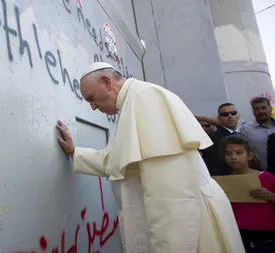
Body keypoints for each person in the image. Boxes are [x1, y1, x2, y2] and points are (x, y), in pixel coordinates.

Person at [56, 62, 244, 253]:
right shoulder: (133, 102)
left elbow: (171, 200)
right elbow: (114, 160)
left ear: (107, 83)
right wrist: (75, 152)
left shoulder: (146, 100)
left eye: (92, 98)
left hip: (187, 229)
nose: (93, 107)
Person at [220, 135, 275, 252]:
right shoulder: (222, 183)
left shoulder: (267, 178)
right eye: (228, 154)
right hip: (238, 237)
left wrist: (271, 196)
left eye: (239, 153)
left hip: (267, 239)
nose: (233, 157)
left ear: (249, 155)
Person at [202, 103, 243, 176]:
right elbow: (214, 165)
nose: (230, 116)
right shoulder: (214, 138)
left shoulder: (243, 134)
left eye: (233, 113)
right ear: (219, 118)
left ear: (238, 116)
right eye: (225, 114)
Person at [241, 97, 275, 171]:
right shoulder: (246, 129)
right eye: (256, 109)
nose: (260, 111)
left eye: (264, 107)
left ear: (270, 108)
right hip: (261, 173)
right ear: (253, 111)